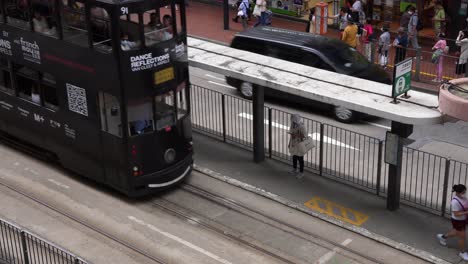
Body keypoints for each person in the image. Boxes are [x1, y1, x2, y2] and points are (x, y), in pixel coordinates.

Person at [437, 184, 468, 261]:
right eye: (463, 192)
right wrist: (466, 212)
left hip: (463, 220)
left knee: (455, 232)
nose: (464, 193)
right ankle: (462, 252)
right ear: (458, 192)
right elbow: (456, 214)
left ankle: (443, 237)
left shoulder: (463, 198)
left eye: (465, 192)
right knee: (462, 237)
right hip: (458, 221)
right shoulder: (455, 202)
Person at [288, 114, 307, 179]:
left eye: (293, 120)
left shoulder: (302, 126)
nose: (292, 122)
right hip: (294, 143)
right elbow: (291, 134)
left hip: (300, 144)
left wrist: (295, 135)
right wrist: (289, 142)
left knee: (300, 159)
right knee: (294, 156)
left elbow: (304, 136)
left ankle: (301, 172)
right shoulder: (292, 125)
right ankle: (294, 169)